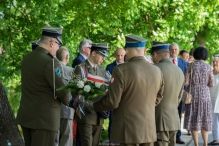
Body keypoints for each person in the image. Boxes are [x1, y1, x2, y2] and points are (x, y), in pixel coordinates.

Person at [93, 34, 164, 146]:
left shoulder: (121, 70)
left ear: (126, 50)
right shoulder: (157, 70)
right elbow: (159, 97)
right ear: (144, 51)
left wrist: (94, 105)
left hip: (128, 130)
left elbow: (113, 102)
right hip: (149, 130)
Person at [16, 26, 71, 146]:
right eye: (58, 45)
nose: (58, 49)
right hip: (44, 120)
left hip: (27, 116)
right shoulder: (51, 61)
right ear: (52, 43)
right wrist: (72, 101)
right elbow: (63, 91)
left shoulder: (28, 57)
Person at [73, 43, 109, 146]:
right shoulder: (80, 68)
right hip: (86, 115)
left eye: (105, 56)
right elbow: (74, 91)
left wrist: (105, 107)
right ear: (93, 53)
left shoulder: (102, 70)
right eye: (102, 56)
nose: (103, 59)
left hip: (99, 116)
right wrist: (92, 106)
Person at [151, 41, 184, 146]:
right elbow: (179, 97)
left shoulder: (155, 69)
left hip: (159, 119)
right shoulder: (179, 70)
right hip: (174, 119)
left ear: (155, 54)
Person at [184, 47, 214, 146]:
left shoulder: (190, 66)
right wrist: (204, 86)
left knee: (194, 120)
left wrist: (193, 85)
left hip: (193, 96)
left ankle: (196, 144)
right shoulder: (209, 67)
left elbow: (185, 82)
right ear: (205, 56)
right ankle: (205, 144)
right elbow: (211, 84)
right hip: (205, 96)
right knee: (204, 120)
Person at [72, 39, 92, 146]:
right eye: (90, 47)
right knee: (81, 131)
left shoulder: (82, 60)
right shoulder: (79, 61)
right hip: (81, 99)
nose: (91, 50)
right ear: (84, 49)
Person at [54, 47, 74, 146]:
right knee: (66, 137)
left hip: (54, 108)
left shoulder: (52, 70)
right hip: (67, 108)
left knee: (55, 137)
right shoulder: (71, 71)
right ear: (67, 57)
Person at [169, 43, 188, 144]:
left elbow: (187, 79)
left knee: (178, 115)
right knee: (168, 115)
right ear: (169, 50)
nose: (174, 51)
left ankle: (177, 136)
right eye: (172, 49)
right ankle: (168, 136)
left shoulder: (184, 63)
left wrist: (184, 89)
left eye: (176, 49)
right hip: (167, 94)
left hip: (180, 94)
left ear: (178, 50)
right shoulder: (165, 61)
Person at [106, 48, 126, 144]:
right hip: (113, 97)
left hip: (125, 99)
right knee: (112, 119)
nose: (120, 57)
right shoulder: (109, 67)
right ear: (115, 55)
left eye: (122, 55)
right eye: (118, 55)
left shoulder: (128, 67)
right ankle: (112, 141)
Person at [208, 55, 219, 145]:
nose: (215, 63)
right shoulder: (210, 73)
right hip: (211, 99)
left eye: (217, 62)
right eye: (214, 61)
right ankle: (216, 139)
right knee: (213, 121)